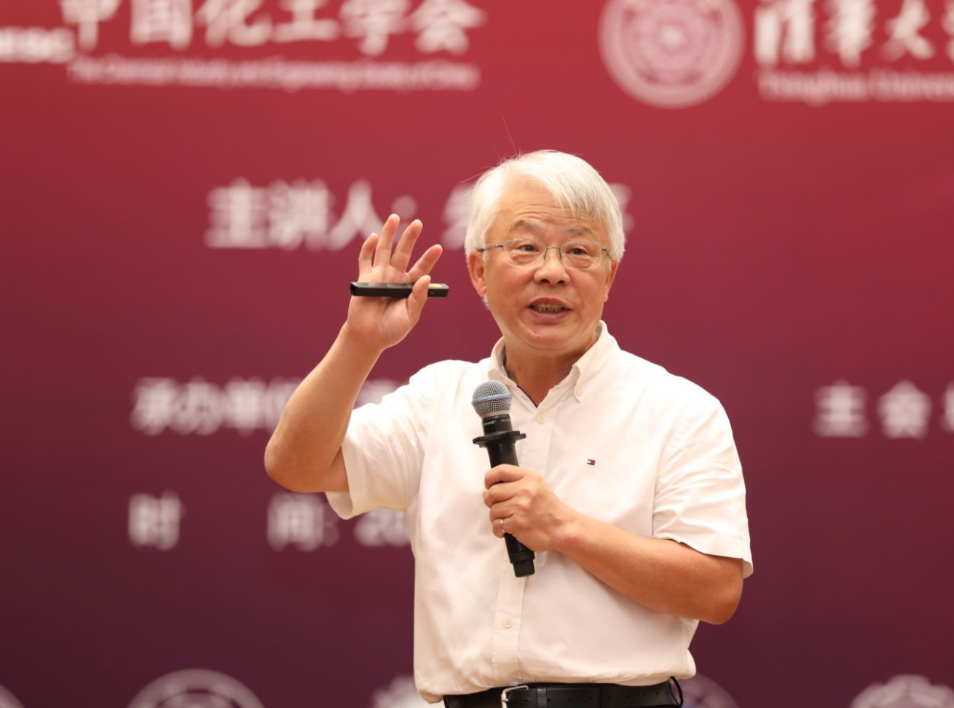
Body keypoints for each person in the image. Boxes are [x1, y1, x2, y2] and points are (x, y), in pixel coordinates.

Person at [265, 150, 752, 707]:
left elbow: (715, 590)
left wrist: (565, 529)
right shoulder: (438, 398)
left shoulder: (679, 410)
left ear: (609, 276)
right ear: (478, 270)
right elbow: (297, 465)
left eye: (579, 251)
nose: (552, 271)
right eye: (525, 247)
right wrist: (359, 343)